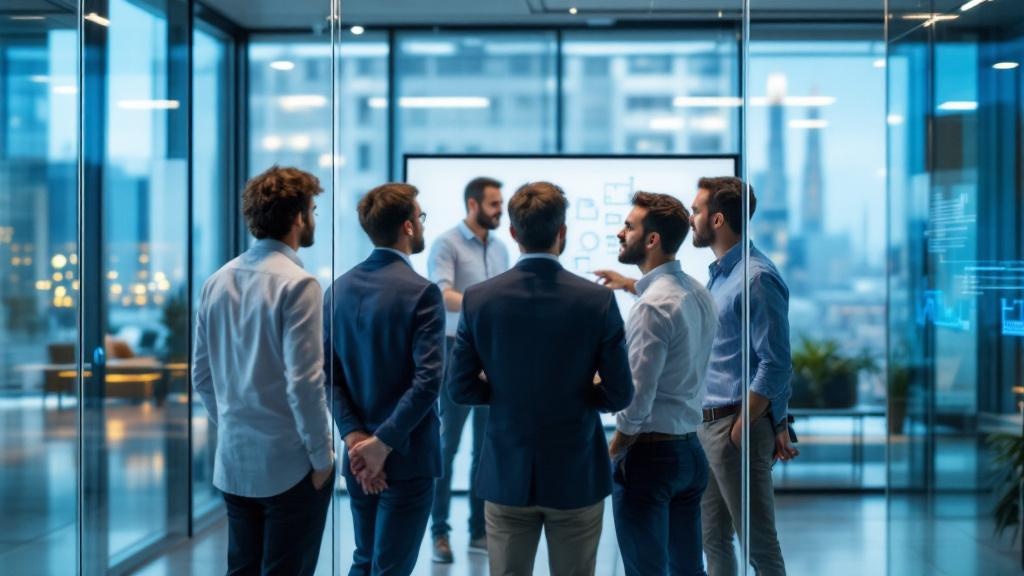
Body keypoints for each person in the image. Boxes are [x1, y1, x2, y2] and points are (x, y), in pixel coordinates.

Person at [446, 181, 634, 576]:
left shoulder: (479, 299)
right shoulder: (596, 300)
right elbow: (619, 392)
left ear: (513, 234)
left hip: (506, 474)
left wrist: (505, 390)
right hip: (575, 474)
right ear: (562, 233)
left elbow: (460, 387)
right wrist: (581, 394)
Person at [192, 165, 335, 576]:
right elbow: (305, 383)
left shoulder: (217, 281)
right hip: (290, 464)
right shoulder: (299, 284)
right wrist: (321, 457)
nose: (312, 220)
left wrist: (235, 424)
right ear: (297, 217)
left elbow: (202, 376)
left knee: (242, 568)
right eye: (312, 210)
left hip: (234, 460)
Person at [325, 182, 445, 576]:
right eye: (420, 217)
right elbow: (428, 381)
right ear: (408, 227)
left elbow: (329, 376)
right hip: (408, 459)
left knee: (365, 559)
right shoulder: (422, 292)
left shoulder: (338, 289)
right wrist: (383, 444)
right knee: (390, 567)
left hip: (359, 460)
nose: (422, 225)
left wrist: (356, 439)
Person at [595, 192, 717, 576]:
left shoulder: (651, 309)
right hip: (690, 453)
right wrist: (630, 283)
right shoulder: (697, 292)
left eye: (629, 227)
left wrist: (613, 452)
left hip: (649, 458)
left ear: (652, 240)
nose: (620, 232)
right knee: (687, 570)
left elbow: (637, 398)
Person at [427, 177, 510, 563]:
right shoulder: (447, 243)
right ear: (473, 204)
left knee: (485, 448)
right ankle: (439, 534)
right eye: (494, 204)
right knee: (447, 446)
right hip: (455, 350)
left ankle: (478, 530)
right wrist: (485, 305)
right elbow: (440, 293)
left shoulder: (501, 248)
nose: (500, 210)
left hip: (492, 352)